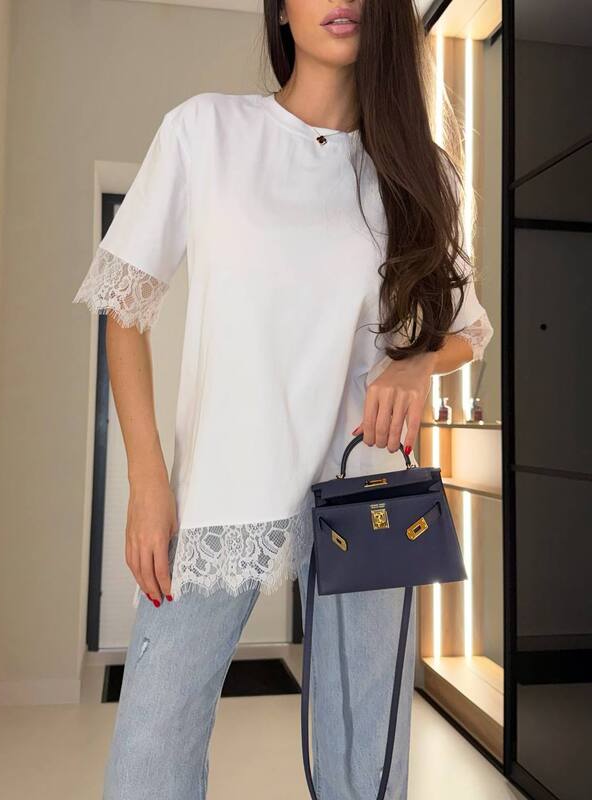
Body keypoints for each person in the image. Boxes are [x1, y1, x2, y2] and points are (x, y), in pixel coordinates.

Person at [72, 1, 493, 798]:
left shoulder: (418, 171)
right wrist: (147, 482)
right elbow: (124, 311)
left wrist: (413, 366)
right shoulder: (207, 132)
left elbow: (470, 329)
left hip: (365, 491)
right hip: (220, 487)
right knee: (150, 755)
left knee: (365, 764)